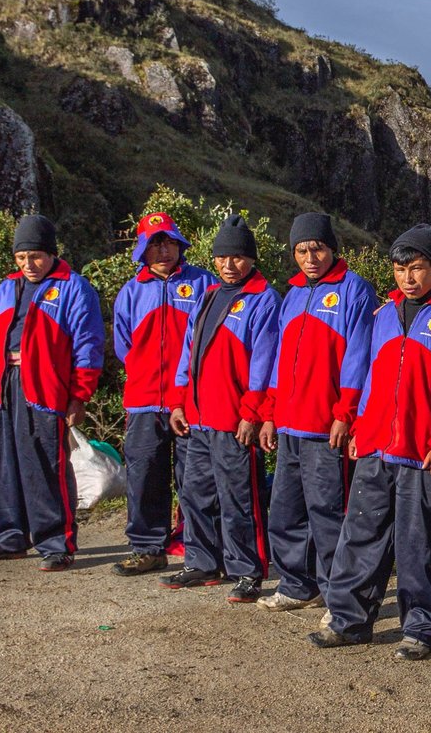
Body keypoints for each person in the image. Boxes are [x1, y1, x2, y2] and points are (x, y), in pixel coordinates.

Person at [311, 224, 431, 659]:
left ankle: (421, 628)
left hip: (424, 452)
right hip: (375, 446)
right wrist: (359, 428)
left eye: (417, 267)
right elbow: (365, 376)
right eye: (401, 268)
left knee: (418, 541)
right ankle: (349, 620)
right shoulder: (383, 316)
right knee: (360, 533)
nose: (408, 277)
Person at [0, 214, 104, 572]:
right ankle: (10, 537)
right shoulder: (6, 288)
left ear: (52, 253)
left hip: (45, 385)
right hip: (4, 384)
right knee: (5, 463)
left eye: (36, 256)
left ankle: (56, 542)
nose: (29, 264)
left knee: (45, 464)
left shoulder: (73, 287)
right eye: (22, 257)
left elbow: (88, 345)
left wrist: (79, 397)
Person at [257, 213, 375, 611]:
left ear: (332, 248)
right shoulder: (290, 294)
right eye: (302, 250)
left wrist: (345, 413)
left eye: (318, 248)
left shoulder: (353, 290)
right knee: (286, 511)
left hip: (326, 426)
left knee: (328, 515)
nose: (310, 257)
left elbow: (358, 358)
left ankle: (334, 592)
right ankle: (296, 585)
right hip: (288, 424)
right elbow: (276, 361)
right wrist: (269, 413)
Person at [163, 214, 280, 604]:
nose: (229, 265)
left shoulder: (263, 299)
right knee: (194, 491)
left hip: (233, 420)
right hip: (197, 417)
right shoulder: (209, 295)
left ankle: (247, 570)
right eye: (222, 258)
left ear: (251, 259)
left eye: (237, 258)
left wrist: (252, 413)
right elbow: (188, 353)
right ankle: (201, 561)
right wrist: (180, 401)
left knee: (239, 498)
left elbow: (264, 363)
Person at [111, 212, 214, 576]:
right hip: (143, 401)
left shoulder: (204, 283)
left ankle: (196, 548)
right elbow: (124, 347)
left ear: (180, 244)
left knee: (196, 478)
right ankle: (147, 547)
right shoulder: (130, 292)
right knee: (144, 475)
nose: (163, 250)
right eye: (155, 244)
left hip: (190, 400)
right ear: (142, 251)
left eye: (169, 242)